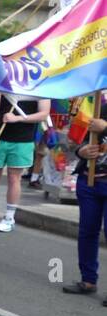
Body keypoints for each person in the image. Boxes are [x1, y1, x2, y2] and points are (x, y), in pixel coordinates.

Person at [0, 95, 49, 233]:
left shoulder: (40, 86)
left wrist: (18, 118)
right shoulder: (4, 82)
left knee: (14, 178)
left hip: (23, 140)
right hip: (0, 137)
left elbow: (43, 114)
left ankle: (9, 218)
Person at [62, 103, 107, 299]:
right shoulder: (97, 106)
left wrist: (105, 128)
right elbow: (76, 139)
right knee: (87, 231)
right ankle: (88, 280)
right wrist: (82, 151)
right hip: (89, 180)